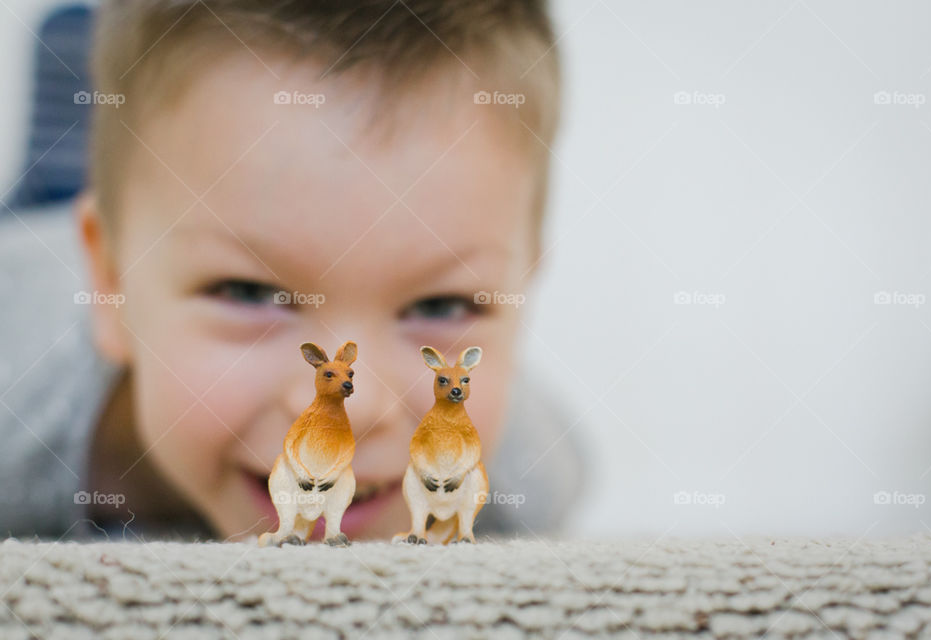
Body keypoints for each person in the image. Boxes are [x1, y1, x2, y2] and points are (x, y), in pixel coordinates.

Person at [0, 0, 587, 543]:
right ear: (111, 286)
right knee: (60, 186)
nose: (357, 411)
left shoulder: (517, 478)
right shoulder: (18, 414)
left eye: (441, 306)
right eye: (251, 292)